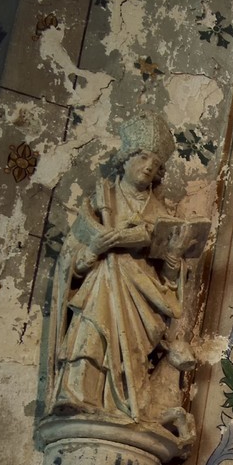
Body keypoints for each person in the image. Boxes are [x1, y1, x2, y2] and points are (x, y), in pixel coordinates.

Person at [51, 113, 204, 424]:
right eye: (142, 156)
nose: (149, 165)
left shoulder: (161, 213)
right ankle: (78, 397)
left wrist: (173, 259)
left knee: (130, 354)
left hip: (141, 305)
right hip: (100, 289)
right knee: (91, 333)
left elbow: (170, 282)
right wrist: (94, 249)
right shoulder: (101, 202)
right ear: (126, 158)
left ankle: (123, 405)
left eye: (156, 162)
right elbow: (71, 270)